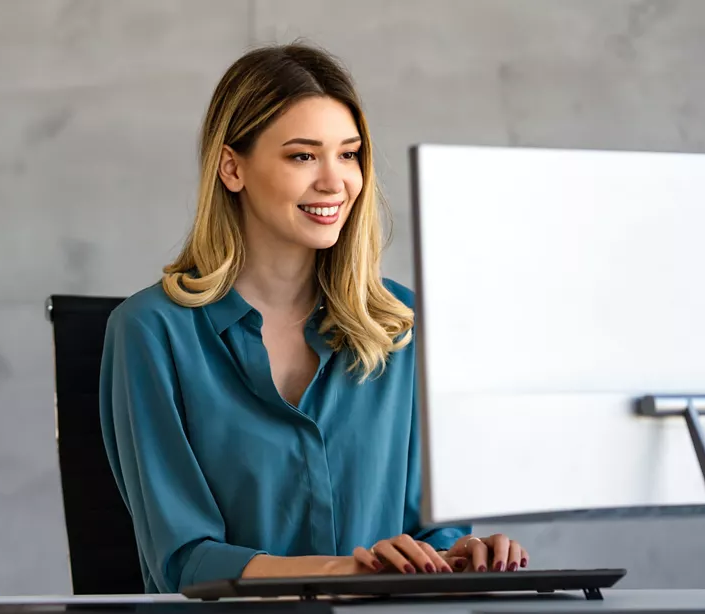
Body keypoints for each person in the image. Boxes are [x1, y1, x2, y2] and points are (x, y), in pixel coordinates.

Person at [97, 42, 529, 594]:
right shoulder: (150, 332)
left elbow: (429, 531)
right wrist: (350, 570)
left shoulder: (401, 324)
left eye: (348, 154)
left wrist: (459, 555)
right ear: (232, 167)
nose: (334, 181)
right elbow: (185, 560)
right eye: (303, 156)